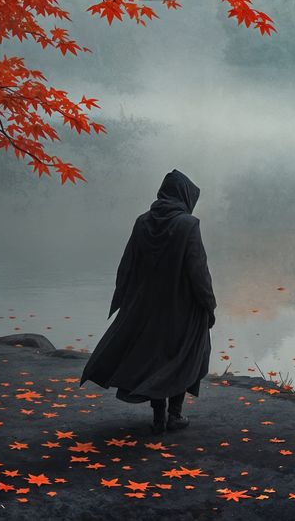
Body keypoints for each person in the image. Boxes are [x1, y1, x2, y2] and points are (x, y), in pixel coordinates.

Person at [82, 170, 216, 434]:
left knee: (155, 358)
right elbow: (198, 271)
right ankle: (174, 415)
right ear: (184, 196)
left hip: (147, 308)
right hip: (181, 307)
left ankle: (158, 417)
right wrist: (209, 304)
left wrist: (126, 301)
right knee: (183, 355)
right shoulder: (188, 225)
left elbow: (127, 265)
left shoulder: (142, 222)